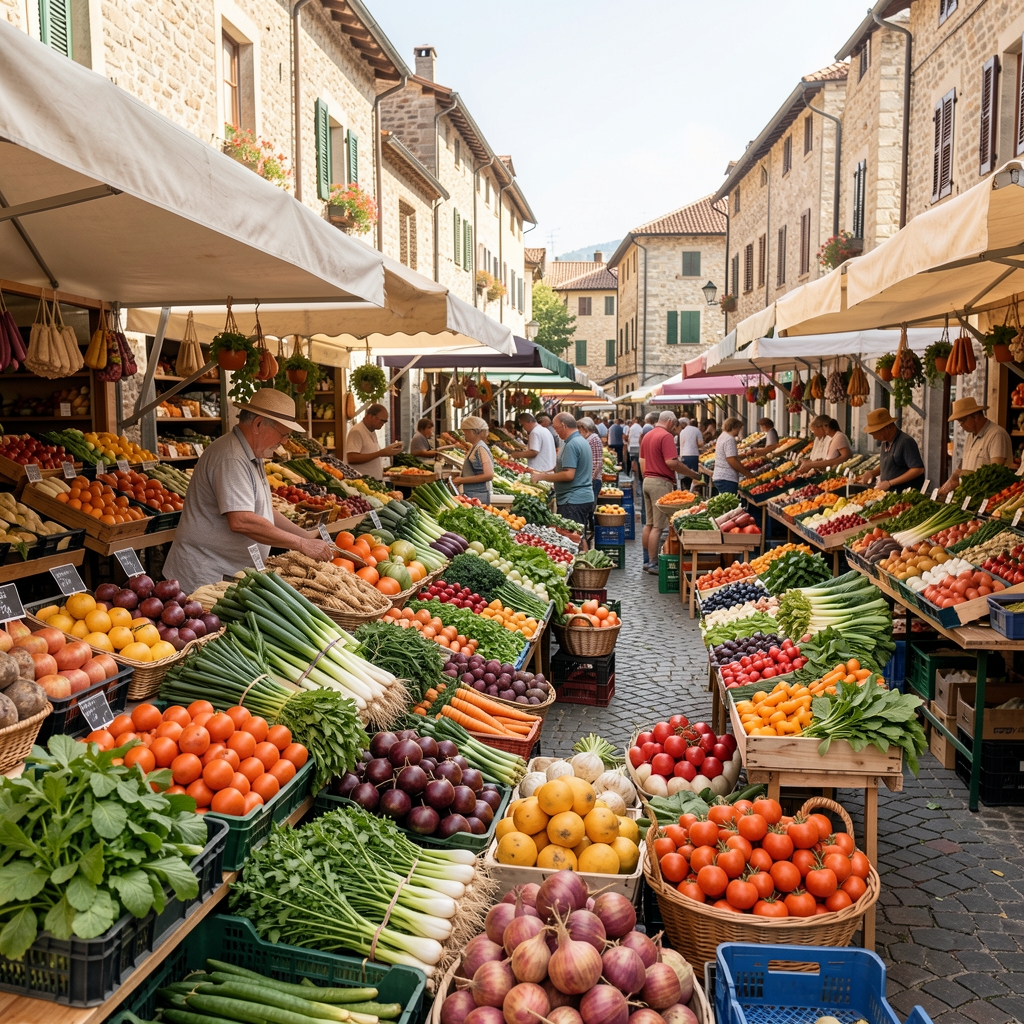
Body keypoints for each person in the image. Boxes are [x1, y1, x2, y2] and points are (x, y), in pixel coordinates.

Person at [163, 389, 334, 594]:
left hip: (225, 573)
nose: (285, 441)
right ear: (259, 424)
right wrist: (300, 543)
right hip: (204, 577)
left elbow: (264, 511)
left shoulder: (252, 453)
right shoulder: (232, 457)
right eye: (284, 434)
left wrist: (306, 536)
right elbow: (241, 520)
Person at [641, 412, 699, 574]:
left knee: (650, 524)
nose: (675, 429)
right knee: (658, 527)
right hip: (660, 482)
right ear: (669, 422)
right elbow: (671, 462)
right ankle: (653, 563)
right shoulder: (665, 436)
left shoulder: (648, 435)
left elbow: (642, 460)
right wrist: (691, 473)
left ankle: (646, 560)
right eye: (674, 425)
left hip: (648, 480)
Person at [529, 413, 595, 528]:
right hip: (581, 498)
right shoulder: (580, 441)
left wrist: (541, 477)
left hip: (573, 500)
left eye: (556, 428)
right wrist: (546, 472)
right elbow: (566, 466)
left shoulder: (571, 445)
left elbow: (569, 474)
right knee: (578, 536)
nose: (555, 432)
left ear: (563, 425)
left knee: (572, 537)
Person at [938, 397, 1012, 496]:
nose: (961, 425)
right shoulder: (970, 436)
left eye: (963, 421)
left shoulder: (997, 434)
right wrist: (949, 484)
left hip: (987, 497)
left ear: (976, 416)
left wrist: (969, 475)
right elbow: (962, 465)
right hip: (970, 496)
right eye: (959, 422)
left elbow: (996, 471)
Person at [858, 408, 925, 490]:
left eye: (875, 433)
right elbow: (887, 465)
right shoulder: (885, 442)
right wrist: (872, 473)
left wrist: (890, 483)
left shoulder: (905, 442)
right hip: (890, 494)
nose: (875, 437)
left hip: (903, 495)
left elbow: (918, 469)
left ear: (886, 428)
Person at [346, 404, 402, 479]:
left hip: (372, 482)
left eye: (385, 422)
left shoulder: (371, 431)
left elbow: (370, 455)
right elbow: (351, 458)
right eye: (382, 421)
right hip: (362, 483)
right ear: (370, 416)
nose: (383, 424)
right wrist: (380, 453)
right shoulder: (357, 431)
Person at [452, 415, 494, 502]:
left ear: (473, 432)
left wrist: (461, 480)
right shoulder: (476, 447)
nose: (464, 435)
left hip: (478, 495)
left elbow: (488, 475)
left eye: (466, 432)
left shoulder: (480, 448)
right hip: (473, 494)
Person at [712, 417, 754, 495]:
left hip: (719, 475)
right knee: (729, 504)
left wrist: (745, 455)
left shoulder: (722, 436)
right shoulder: (729, 439)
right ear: (734, 427)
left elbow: (731, 456)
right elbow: (731, 460)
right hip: (727, 477)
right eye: (739, 429)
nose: (739, 431)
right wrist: (746, 473)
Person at [579, 418, 605, 512]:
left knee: (589, 508)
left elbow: (596, 463)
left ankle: (590, 526)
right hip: (590, 480)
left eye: (579, 429)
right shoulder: (590, 438)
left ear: (584, 428)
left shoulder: (594, 439)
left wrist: (589, 480)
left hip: (593, 481)